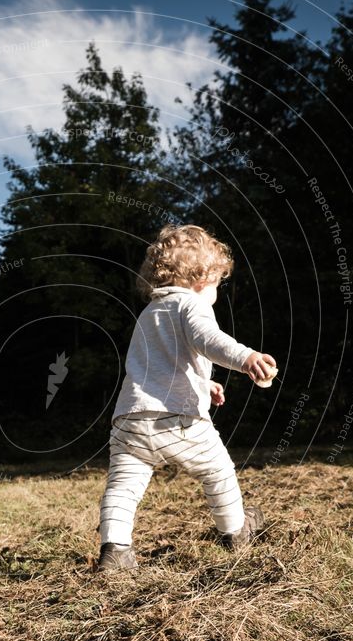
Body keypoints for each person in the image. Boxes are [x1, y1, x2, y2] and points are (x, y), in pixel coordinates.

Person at [97, 224, 277, 572]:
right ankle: (236, 531)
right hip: (177, 420)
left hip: (130, 420)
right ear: (201, 279)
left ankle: (115, 551)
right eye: (217, 283)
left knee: (122, 488)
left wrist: (204, 384)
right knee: (219, 472)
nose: (216, 291)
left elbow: (162, 365)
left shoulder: (149, 314)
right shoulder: (191, 304)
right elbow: (209, 339)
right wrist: (246, 358)